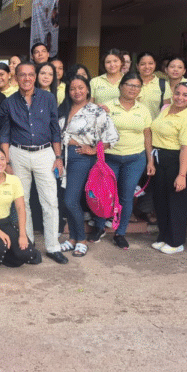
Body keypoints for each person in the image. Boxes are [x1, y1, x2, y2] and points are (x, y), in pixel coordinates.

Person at [0, 61, 67, 264]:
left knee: (50, 202)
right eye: (22, 75)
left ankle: (53, 246)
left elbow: (55, 129)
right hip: (18, 153)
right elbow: (4, 134)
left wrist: (58, 157)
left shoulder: (48, 98)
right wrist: (7, 162)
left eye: (30, 74)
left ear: (35, 77)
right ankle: (27, 244)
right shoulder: (8, 103)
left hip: (45, 152)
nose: (27, 78)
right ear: (16, 77)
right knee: (22, 202)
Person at [89, 73, 154, 249]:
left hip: (135, 159)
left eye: (137, 86)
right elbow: (96, 131)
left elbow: (147, 135)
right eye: (129, 85)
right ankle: (99, 227)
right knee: (105, 194)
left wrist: (150, 161)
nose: (133, 89)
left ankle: (120, 233)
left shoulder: (143, 110)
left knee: (126, 196)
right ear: (121, 86)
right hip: (110, 157)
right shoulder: (107, 106)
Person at [57, 76, 119, 256]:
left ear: (87, 90)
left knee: (70, 200)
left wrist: (93, 150)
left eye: (80, 88)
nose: (77, 92)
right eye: (72, 88)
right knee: (67, 200)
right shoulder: (64, 108)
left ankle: (81, 239)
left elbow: (113, 137)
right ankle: (72, 239)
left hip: (81, 158)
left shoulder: (96, 111)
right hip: (62, 157)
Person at [149, 82, 187, 254]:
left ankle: (176, 242)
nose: (180, 98)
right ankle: (163, 236)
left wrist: (182, 175)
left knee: (176, 201)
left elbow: (186, 149)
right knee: (161, 200)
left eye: (185, 95)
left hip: (179, 160)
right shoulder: (166, 109)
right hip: (160, 157)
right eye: (177, 93)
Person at [136, 51, 172, 119]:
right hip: (134, 124)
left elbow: (167, 110)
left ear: (155, 64)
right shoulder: (130, 83)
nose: (147, 67)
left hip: (154, 124)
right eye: (143, 64)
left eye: (150, 63)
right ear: (137, 66)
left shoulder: (163, 85)